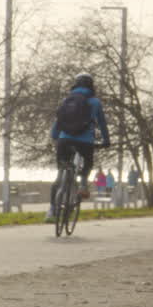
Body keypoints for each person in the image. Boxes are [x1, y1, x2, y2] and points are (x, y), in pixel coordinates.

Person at [49, 72, 110, 222]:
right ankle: (83, 184)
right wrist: (106, 140)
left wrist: (55, 136)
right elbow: (102, 123)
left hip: (64, 140)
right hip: (85, 142)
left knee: (60, 174)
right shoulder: (95, 102)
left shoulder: (67, 100)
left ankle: (51, 211)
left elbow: (59, 120)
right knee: (88, 163)